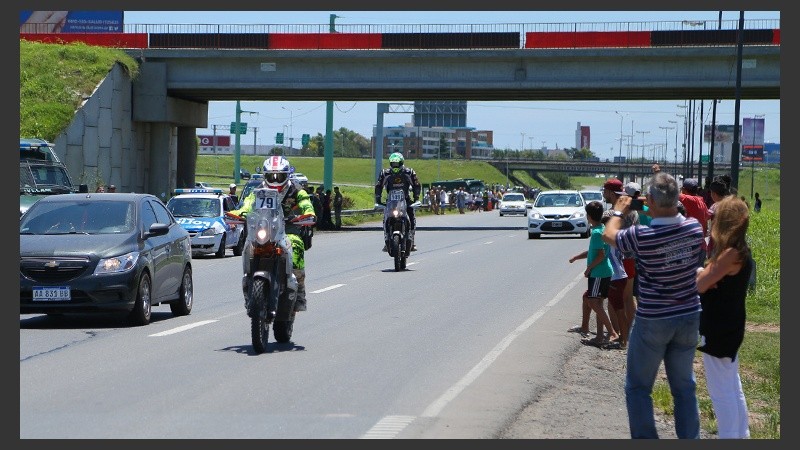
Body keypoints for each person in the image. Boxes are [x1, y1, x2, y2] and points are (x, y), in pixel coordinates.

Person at [602, 171, 705, 439]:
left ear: (650, 200)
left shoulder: (642, 236)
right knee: (684, 388)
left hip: (653, 318)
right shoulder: (694, 228)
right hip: (688, 315)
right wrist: (650, 205)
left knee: (638, 388)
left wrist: (619, 210)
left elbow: (609, 235)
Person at [696, 195, 753, 439]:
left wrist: (702, 273)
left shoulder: (729, 253)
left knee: (721, 391)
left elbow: (700, 284)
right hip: (730, 323)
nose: (712, 223)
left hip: (718, 327)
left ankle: (729, 436)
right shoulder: (741, 251)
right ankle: (741, 434)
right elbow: (707, 280)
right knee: (731, 384)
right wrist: (706, 275)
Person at [229, 155, 316, 312]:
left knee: (296, 244)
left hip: (288, 228)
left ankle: (300, 291)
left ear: (287, 176)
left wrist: (308, 214)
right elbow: (247, 205)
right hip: (263, 228)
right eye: (271, 176)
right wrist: (238, 214)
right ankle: (248, 284)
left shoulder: (296, 190)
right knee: (248, 246)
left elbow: (306, 204)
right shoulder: (258, 191)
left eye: (279, 176)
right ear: (265, 175)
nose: (275, 180)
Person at [568, 200, 619, 347]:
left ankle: (612, 332)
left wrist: (589, 268)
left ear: (589, 216)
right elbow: (593, 252)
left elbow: (601, 255)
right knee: (598, 303)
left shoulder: (596, 233)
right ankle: (599, 336)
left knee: (593, 302)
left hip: (598, 273)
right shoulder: (602, 228)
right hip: (605, 271)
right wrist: (576, 257)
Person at [602, 178, 639, 341]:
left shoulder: (612, 213)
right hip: (631, 257)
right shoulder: (633, 210)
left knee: (613, 299)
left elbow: (606, 236)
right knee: (628, 298)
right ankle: (631, 333)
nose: (604, 194)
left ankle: (617, 334)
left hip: (617, 259)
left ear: (611, 193)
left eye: (605, 191)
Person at [375, 152, 421, 252]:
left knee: (411, 215)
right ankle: (387, 239)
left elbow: (416, 184)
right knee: (385, 217)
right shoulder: (385, 173)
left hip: (405, 200)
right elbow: (379, 186)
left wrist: (416, 198)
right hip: (391, 201)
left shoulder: (409, 172)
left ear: (401, 162)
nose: (395, 166)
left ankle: (412, 239)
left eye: (397, 163)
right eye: (393, 163)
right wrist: (378, 200)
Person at [679, 178, 710, 268]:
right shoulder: (702, 202)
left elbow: (670, 194)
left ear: (684, 189)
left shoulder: (686, 199)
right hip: (701, 247)